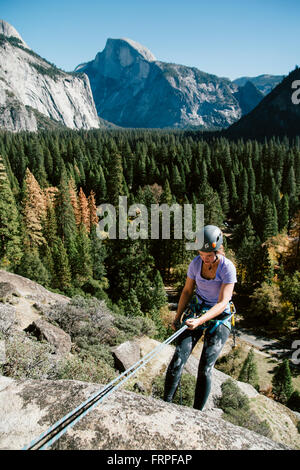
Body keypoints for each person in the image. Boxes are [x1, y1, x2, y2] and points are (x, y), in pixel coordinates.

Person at [164, 225, 237, 410]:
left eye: (209, 255)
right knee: (178, 358)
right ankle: (164, 405)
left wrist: (199, 321)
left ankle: (197, 414)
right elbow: (187, 290)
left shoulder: (228, 268)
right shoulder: (196, 263)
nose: (204, 259)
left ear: (218, 250)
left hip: (220, 315)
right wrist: (177, 316)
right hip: (198, 309)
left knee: (205, 368)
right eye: (201, 254)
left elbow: (222, 303)